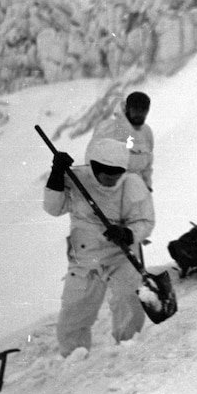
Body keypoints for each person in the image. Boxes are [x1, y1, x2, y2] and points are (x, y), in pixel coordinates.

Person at [43, 138, 155, 357]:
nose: (110, 179)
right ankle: (73, 357)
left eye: (116, 173)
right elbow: (53, 208)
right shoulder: (76, 178)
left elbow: (145, 221)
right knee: (75, 312)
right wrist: (56, 173)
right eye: (105, 173)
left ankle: (128, 349)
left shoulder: (131, 184)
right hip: (85, 258)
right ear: (92, 166)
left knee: (129, 300)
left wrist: (127, 233)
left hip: (120, 255)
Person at [88, 91, 154, 191]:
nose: (139, 114)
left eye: (143, 110)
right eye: (135, 110)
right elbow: (91, 159)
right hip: (112, 190)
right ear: (127, 108)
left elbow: (147, 166)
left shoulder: (146, 132)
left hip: (136, 192)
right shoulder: (108, 128)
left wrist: (147, 186)